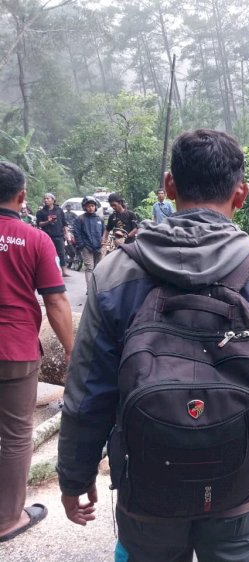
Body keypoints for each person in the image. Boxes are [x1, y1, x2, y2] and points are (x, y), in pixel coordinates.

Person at [57, 129, 249, 561]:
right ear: (242, 194)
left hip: (146, 488)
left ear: (169, 187)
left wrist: (75, 473)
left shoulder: (113, 274)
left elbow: (88, 393)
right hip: (242, 486)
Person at [0, 162, 74, 542]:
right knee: (14, 435)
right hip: (13, 350)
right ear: (22, 196)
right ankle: (8, 519)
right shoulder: (34, 239)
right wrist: (72, 352)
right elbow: (57, 302)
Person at [72, 196, 105, 288]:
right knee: (89, 268)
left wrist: (103, 243)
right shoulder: (80, 219)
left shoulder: (99, 219)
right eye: (88, 206)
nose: (91, 208)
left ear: (95, 207)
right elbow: (77, 233)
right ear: (84, 207)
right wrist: (81, 245)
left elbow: (104, 232)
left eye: (92, 206)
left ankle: (97, 287)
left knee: (98, 268)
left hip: (98, 246)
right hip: (86, 247)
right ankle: (90, 289)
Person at [36, 192, 70, 276]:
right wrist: (48, 221)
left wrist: (66, 233)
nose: (46, 200)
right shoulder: (41, 212)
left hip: (59, 235)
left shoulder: (59, 210)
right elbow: (39, 224)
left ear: (53, 200)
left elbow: (64, 222)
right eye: (45, 198)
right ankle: (48, 271)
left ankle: (64, 271)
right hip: (47, 236)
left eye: (48, 198)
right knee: (47, 253)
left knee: (61, 253)